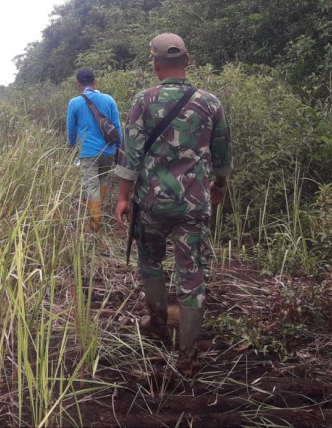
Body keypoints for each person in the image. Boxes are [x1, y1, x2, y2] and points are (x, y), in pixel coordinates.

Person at [114, 33, 233, 375]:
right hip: (194, 204)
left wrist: (123, 197)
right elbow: (223, 155)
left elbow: (131, 155)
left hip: (150, 203)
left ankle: (156, 325)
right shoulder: (210, 102)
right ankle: (189, 357)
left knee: (150, 261)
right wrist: (219, 184)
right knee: (192, 275)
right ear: (188, 59)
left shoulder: (143, 100)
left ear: (155, 63)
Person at [67, 68, 123, 232]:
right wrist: (118, 147)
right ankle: (98, 216)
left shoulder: (75, 103)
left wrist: (72, 148)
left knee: (91, 186)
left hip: (88, 152)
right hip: (108, 150)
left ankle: (95, 224)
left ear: (78, 85)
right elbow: (117, 127)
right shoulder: (108, 100)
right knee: (103, 181)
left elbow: (71, 130)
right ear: (95, 82)